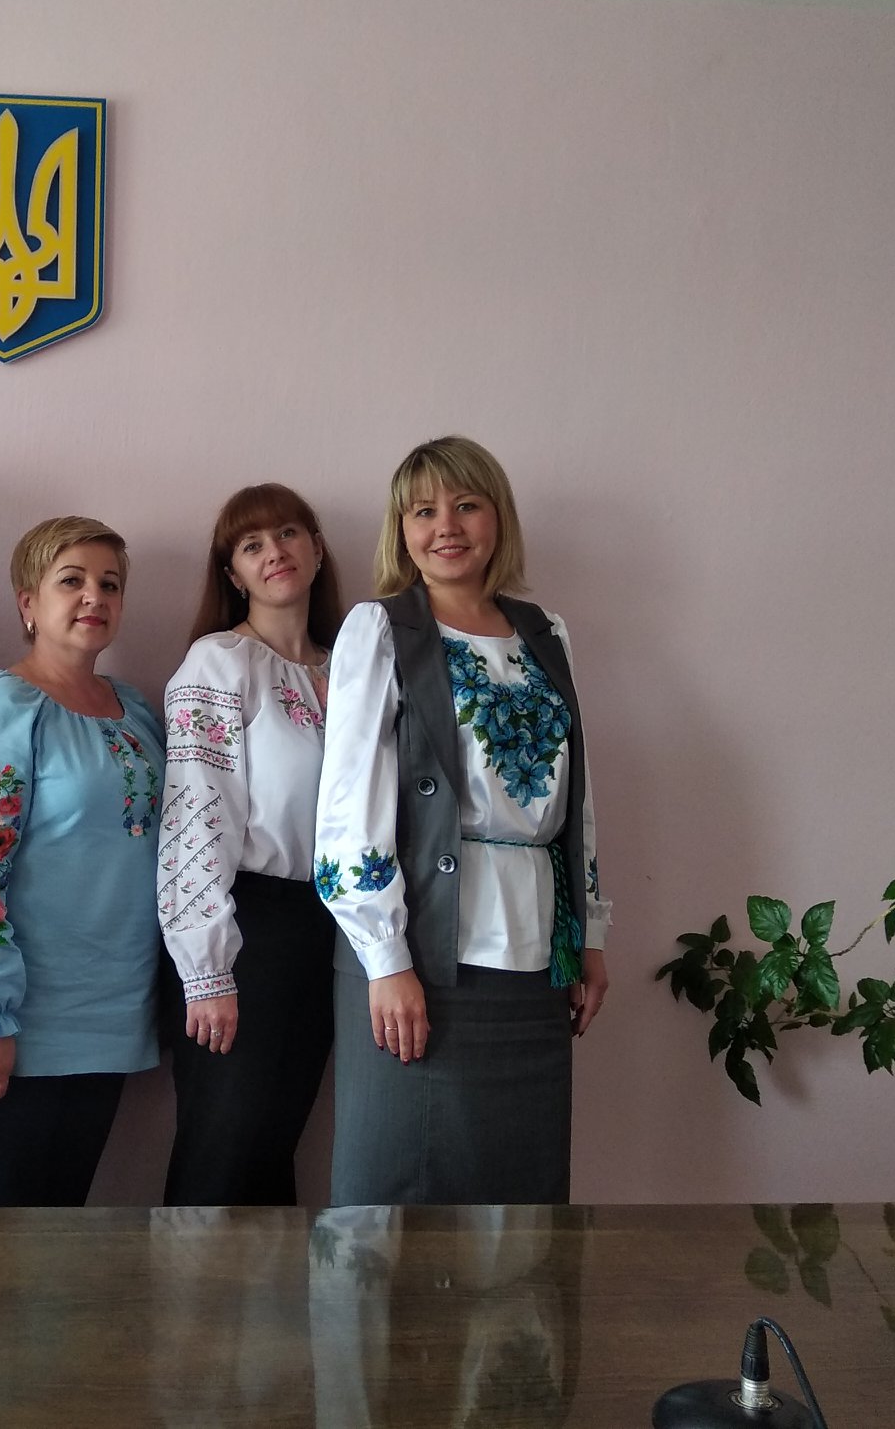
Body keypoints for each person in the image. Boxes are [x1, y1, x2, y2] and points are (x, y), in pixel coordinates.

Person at [314, 435, 610, 1205]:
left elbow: (575, 797)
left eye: (466, 505)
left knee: (520, 1192)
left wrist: (591, 935)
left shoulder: (545, 632)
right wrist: (387, 960)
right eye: (423, 511)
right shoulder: (380, 629)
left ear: (497, 517)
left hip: (538, 959)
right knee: (399, 1192)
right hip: (421, 955)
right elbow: (347, 806)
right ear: (401, 529)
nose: (445, 525)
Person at [0, 516, 163, 1206]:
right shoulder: (3, 704)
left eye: (110, 585)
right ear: (28, 602)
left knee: (65, 1232)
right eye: (72, 581)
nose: (94, 596)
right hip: (20, 1020)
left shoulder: (135, 712)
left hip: (112, 1011)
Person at [157, 483, 342, 1204]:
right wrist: (207, 970)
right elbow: (193, 818)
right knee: (223, 1151)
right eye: (251, 544)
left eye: (289, 533)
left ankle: (270, 1288)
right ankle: (190, 1284)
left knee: (274, 1150)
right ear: (232, 573)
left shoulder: (352, 668)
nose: (275, 553)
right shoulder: (220, 663)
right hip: (243, 928)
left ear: (317, 548)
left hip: (329, 928)